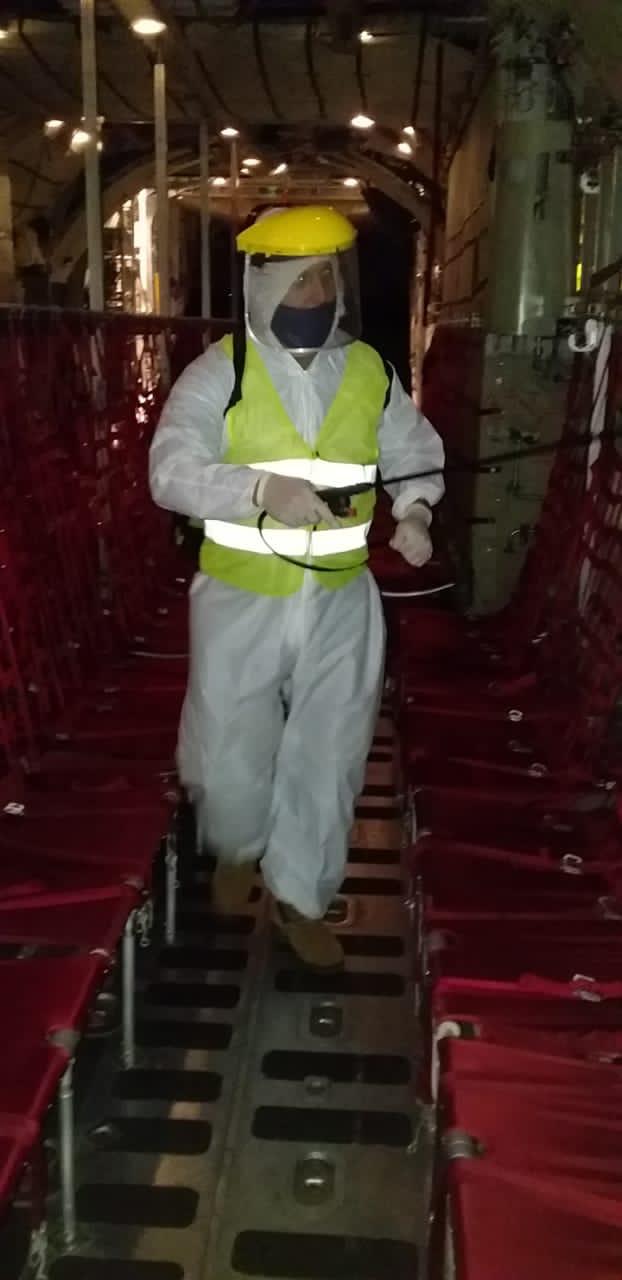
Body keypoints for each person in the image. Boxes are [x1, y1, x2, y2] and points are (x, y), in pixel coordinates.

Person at [149, 206, 444, 970]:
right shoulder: (220, 372)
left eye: (328, 276)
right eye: (303, 278)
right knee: (228, 748)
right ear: (266, 283)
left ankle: (300, 896)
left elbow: (412, 452)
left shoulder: (369, 371)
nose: (320, 292)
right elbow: (169, 470)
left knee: (331, 749)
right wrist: (257, 490)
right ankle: (238, 847)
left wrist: (415, 510)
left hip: (342, 600)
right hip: (241, 596)